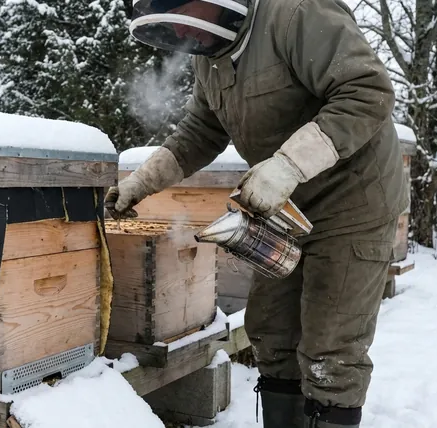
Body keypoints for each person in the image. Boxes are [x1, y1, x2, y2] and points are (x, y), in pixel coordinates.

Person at [104, 0, 410, 427]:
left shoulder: (298, 13)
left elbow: (367, 91)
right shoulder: (209, 57)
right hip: (282, 210)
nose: (187, 37)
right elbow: (200, 131)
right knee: (271, 330)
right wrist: (141, 182)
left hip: (353, 203)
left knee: (331, 350)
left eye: (187, 19)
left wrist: (289, 164)